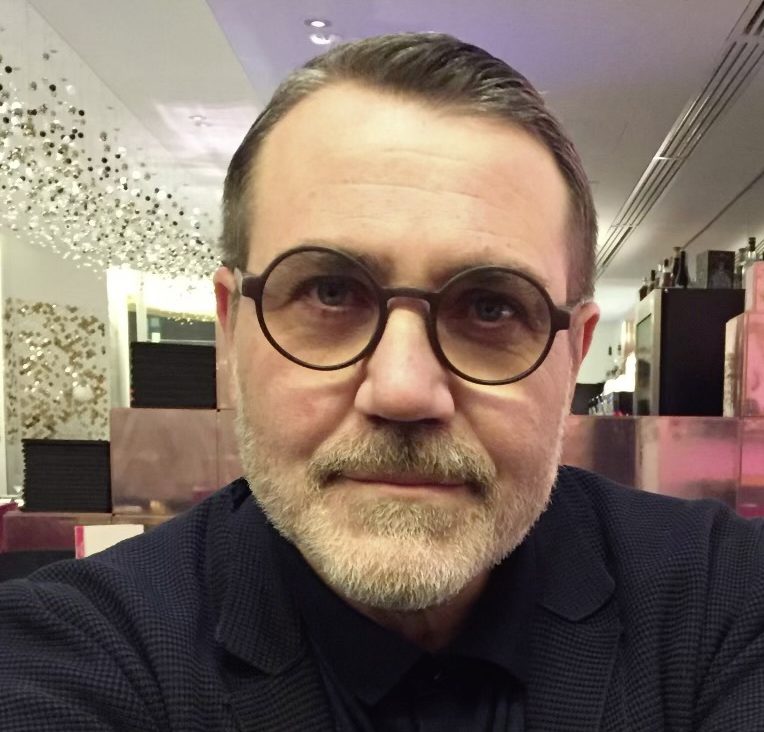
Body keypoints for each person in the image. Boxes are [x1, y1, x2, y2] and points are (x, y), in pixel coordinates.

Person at [1, 32, 763, 731]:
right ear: (231, 331)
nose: (402, 390)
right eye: (330, 293)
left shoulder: (723, 598)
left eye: (490, 307)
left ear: (574, 356)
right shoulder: (81, 650)